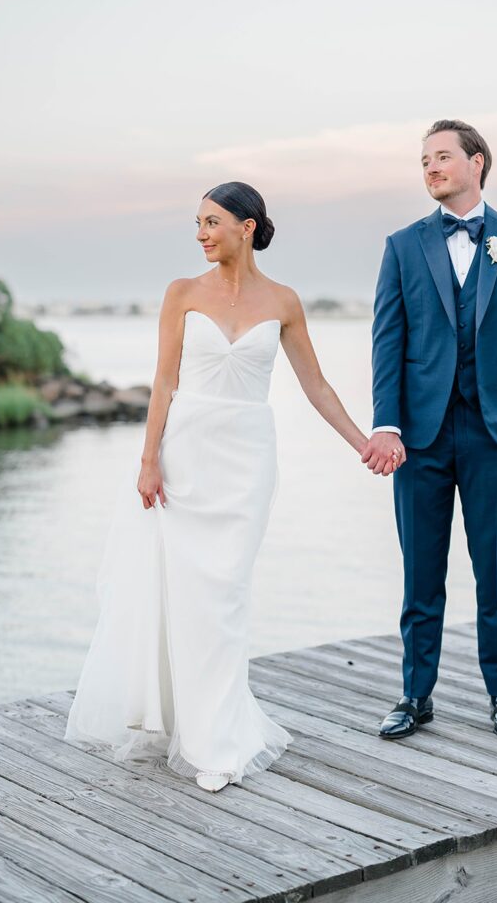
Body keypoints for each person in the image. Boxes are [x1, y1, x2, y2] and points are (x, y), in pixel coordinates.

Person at [64, 180, 385, 792]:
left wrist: (362, 441)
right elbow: (163, 382)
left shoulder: (284, 301)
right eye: (198, 223)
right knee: (182, 593)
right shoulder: (182, 293)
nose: (201, 234)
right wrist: (148, 460)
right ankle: (183, 723)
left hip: (247, 461)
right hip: (185, 455)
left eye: (211, 222)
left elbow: (315, 385)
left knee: (225, 595)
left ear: (247, 226)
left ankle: (217, 739)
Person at [362, 119, 497, 742]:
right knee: (420, 570)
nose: (430, 168)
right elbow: (387, 342)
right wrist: (387, 424)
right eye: (424, 160)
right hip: (418, 435)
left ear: (477, 163)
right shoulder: (402, 245)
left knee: (494, 568)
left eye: (442, 157)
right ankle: (415, 695)